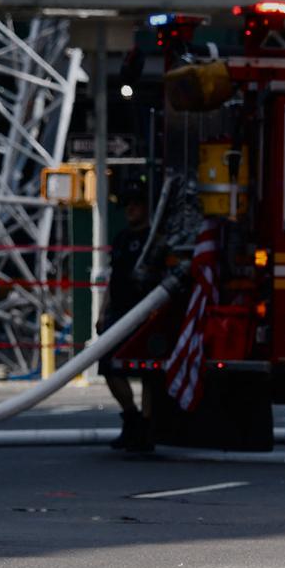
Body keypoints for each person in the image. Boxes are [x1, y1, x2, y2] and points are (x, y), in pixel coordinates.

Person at [99, 179, 158, 451]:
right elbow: (113, 278)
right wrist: (103, 311)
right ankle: (131, 416)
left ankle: (145, 427)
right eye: (128, 206)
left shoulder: (154, 240)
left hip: (144, 313)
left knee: (148, 370)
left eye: (136, 205)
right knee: (109, 365)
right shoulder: (122, 238)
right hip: (119, 313)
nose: (130, 210)